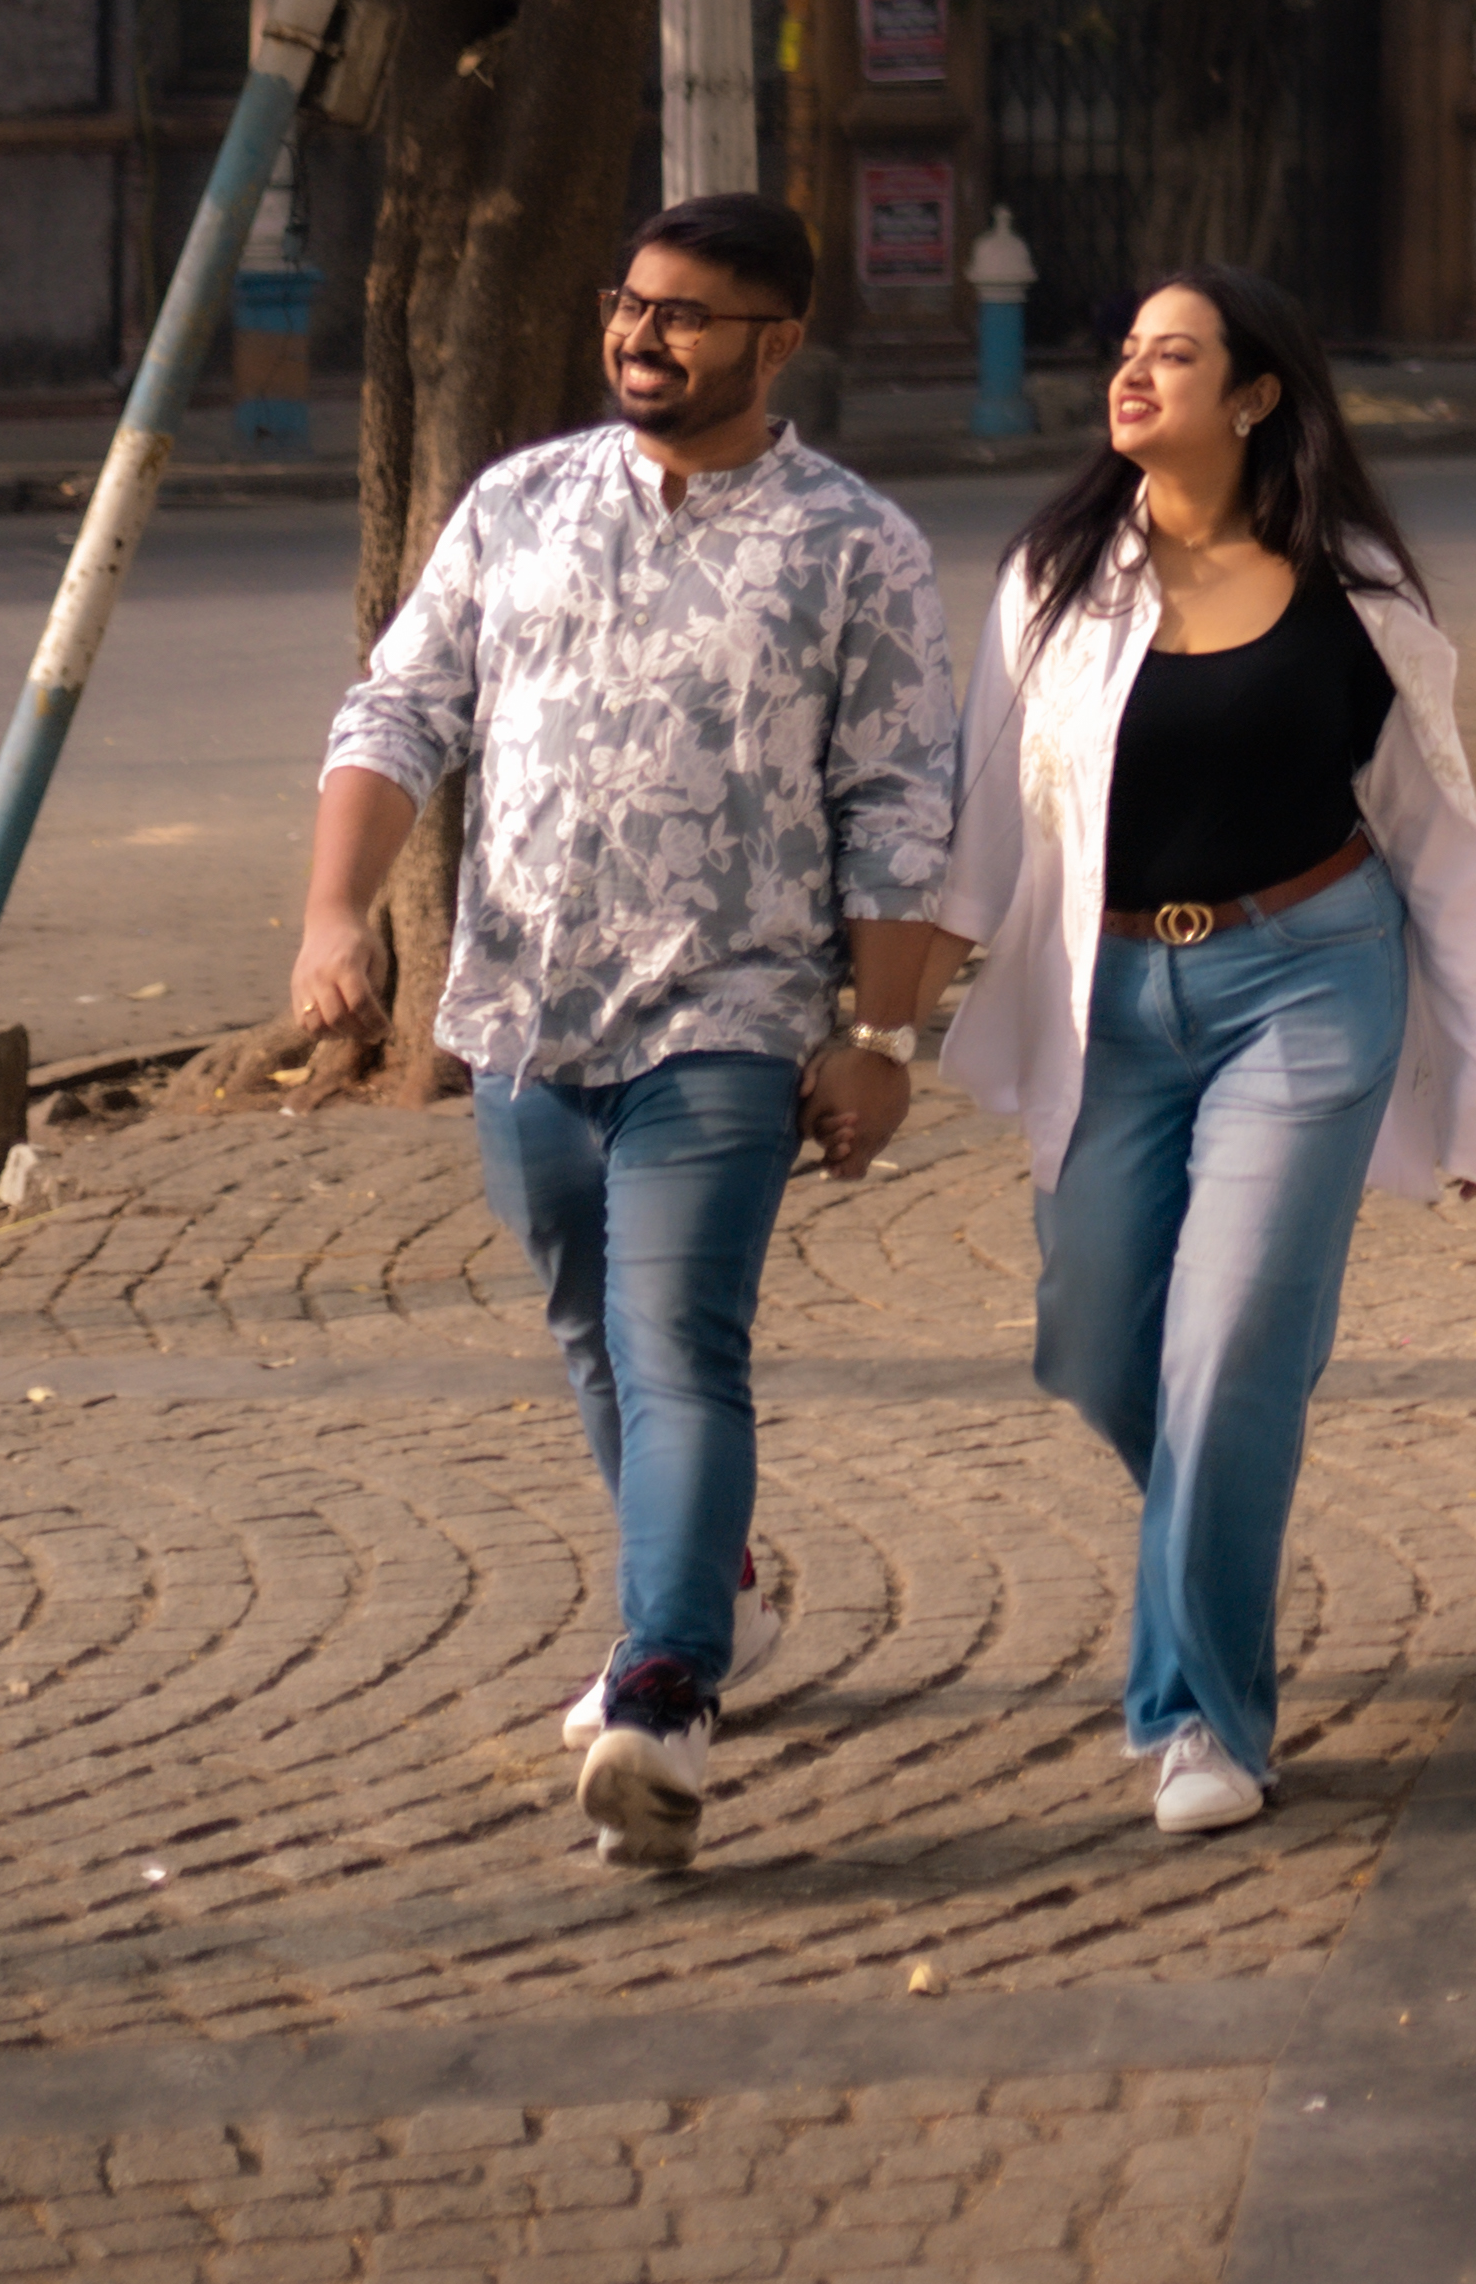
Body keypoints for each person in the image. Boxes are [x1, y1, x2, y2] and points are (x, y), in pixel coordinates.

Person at [291, 192, 960, 1876]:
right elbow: (402, 709)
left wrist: (882, 1036)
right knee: (595, 1334)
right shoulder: (518, 505)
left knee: (676, 1346)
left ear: (775, 341)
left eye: (685, 314)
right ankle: (695, 1563)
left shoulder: (852, 546)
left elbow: (899, 809)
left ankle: (665, 1687)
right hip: (518, 1019)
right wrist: (336, 914)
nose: (641, 337)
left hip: (724, 1022)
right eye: (628, 305)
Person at [898, 266, 1476, 1835]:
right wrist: (878, 1024)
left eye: (1173, 354)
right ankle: (1225, 1515)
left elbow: (1437, 837)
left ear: (1255, 393)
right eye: (1126, 349)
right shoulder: (1057, 576)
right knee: (1092, 1342)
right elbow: (989, 826)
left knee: (1227, 1352)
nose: (1132, 375)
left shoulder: (1359, 592)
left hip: (1311, 984)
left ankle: (1204, 1718)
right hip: (1110, 1000)